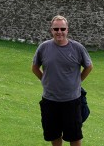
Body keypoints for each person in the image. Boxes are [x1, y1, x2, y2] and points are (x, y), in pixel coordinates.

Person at [32, 15, 93, 146]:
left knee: (74, 136)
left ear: (67, 30)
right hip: (50, 100)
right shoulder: (43, 48)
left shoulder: (77, 48)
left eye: (62, 28)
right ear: (51, 30)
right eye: (56, 29)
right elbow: (35, 67)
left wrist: (78, 80)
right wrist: (45, 80)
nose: (59, 32)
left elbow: (89, 66)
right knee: (54, 135)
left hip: (72, 101)